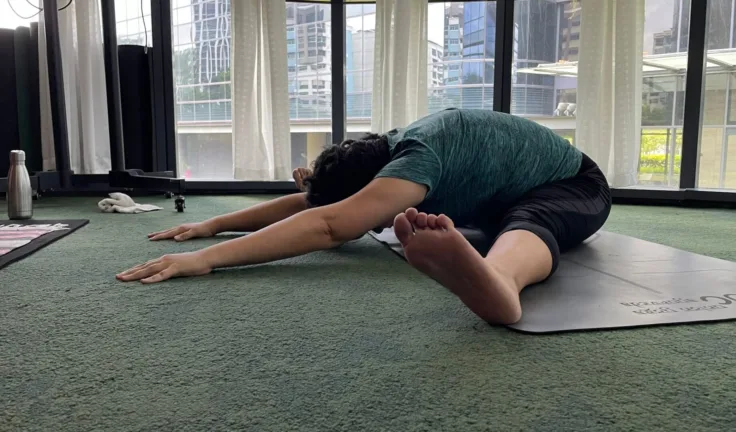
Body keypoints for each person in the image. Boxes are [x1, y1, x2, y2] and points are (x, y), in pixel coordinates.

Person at [117, 108, 611, 325]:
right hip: (499, 195)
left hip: (573, 188)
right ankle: (489, 255)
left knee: (528, 220)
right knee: (502, 217)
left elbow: (331, 224)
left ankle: (502, 280)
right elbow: (321, 208)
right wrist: (215, 223)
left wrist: (207, 259)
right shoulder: (387, 149)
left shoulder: (415, 162)